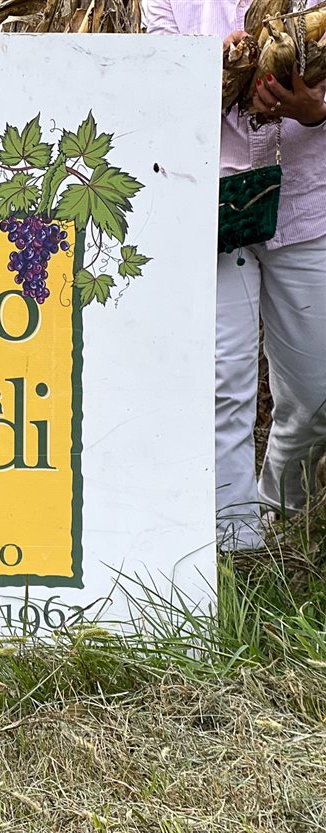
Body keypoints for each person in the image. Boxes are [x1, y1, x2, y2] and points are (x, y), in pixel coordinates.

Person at [145, 2, 326, 550]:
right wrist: (218, 74)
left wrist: (314, 109)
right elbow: (156, 83)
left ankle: (280, 509)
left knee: (317, 394)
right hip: (213, 203)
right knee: (223, 384)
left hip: (307, 202)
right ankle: (234, 542)